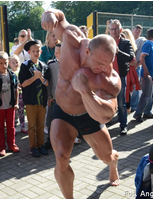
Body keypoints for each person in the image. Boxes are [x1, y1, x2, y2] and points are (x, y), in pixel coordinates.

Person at [41, 8, 121, 198]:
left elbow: (107, 114)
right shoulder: (71, 40)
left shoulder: (107, 79)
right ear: (86, 51)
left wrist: (86, 92)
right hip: (62, 110)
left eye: (107, 63)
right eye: (99, 63)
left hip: (88, 114)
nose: (102, 68)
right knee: (61, 156)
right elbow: (60, 19)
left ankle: (114, 163)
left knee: (106, 156)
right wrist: (49, 14)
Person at [18, 40, 50, 158]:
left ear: (40, 51)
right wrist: (34, 77)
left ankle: (41, 145)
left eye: (38, 51)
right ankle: (33, 147)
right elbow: (23, 83)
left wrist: (40, 78)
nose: (36, 53)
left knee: (41, 124)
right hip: (31, 100)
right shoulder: (25, 66)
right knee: (32, 125)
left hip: (42, 101)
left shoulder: (44, 66)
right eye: (33, 51)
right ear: (29, 52)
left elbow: (47, 83)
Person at [0, 52, 20, 156]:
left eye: (5, 63)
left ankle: (12, 144)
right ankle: (2, 147)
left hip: (10, 106)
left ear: (8, 62)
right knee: (0, 128)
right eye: (1, 63)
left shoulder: (12, 75)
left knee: (11, 127)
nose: (3, 65)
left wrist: (16, 103)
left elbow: (16, 90)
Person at [108, 20, 134, 135]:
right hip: (106, 77)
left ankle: (123, 125)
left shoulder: (126, 43)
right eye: (112, 29)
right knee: (107, 101)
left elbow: (130, 58)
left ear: (120, 30)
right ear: (109, 30)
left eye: (115, 29)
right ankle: (105, 123)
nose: (113, 31)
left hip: (120, 77)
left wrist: (118, 52)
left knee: (121, 103)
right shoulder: (106, 41)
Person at [133, 28, 153, 122]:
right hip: (147, 74)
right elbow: (142, 57)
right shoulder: (147, 44)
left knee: (151, 95)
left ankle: (147, 112)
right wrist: (145, 70)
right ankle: (138, 114)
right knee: (146, 94)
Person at [44, 42, 61, 149]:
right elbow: (49, 83)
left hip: (65, 100)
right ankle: (49, 141)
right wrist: (49, 97)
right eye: (56, 52)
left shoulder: (69, 64)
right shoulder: (51, 65)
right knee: (51, 121)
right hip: (54, 99)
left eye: (59, 52)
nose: (57, 54)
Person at [121, 29, 140, 115]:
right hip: (123, 71)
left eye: (125, 34)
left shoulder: (130, 46)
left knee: (128, 90)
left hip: (129, 71)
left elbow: (134, 61)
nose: (123, 36)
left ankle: (128, 108)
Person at [9, 54, 28, 134]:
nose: (15, 64)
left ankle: (22, 126)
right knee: (13, 112)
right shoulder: (9, 73)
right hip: (12, 95)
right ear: (9, 64)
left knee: (21, 111)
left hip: (21, 94)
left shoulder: (20, 71)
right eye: (13, 62)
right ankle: (12, 128)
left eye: (17, 62)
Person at [131, 25, 146, 112]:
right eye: (136, 29)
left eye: (139, 30)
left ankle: (134, 105)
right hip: (127, 67)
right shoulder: (128, 40)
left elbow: (142, 56)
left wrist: (137, 65)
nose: (137, 31)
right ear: (132, 30)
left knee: (136, 87)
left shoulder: (142, 41)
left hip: (136, 67)